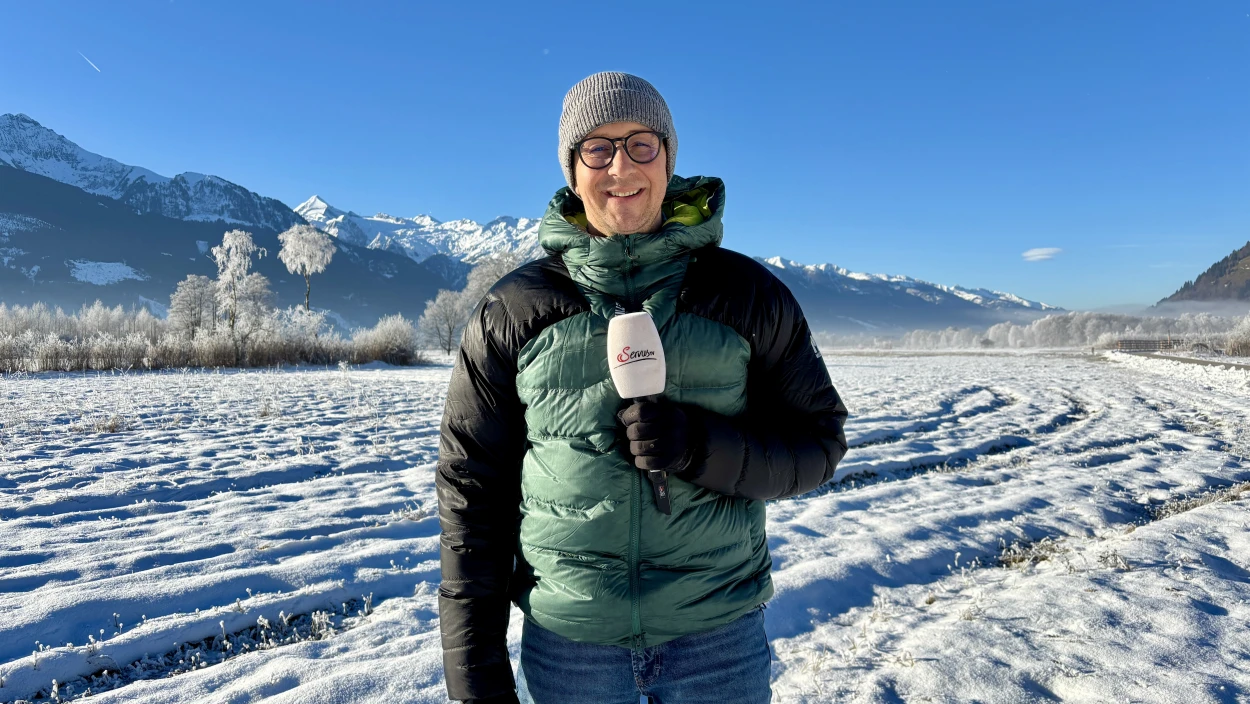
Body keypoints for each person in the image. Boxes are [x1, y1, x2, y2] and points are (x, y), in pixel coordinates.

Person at [437, 71, 849, 704]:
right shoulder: (514, 310)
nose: (619, 166)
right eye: (596, 148)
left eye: (640, 144)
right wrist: (476, 682)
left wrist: (699, 448)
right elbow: (473, 493)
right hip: (572, 649)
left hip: (717, 641)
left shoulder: (746, 296)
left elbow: (818, 445)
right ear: (572, 171)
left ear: (669, 157)